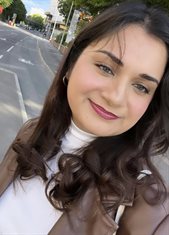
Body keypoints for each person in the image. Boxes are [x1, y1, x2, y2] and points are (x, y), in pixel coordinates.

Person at [0, 1, 169, 234]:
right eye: (106, 68)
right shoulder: (32, 133)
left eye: (141, 87)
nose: (115, 97)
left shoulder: (150, 208)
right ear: (71, 64)